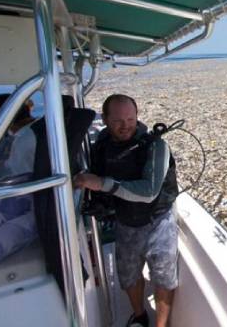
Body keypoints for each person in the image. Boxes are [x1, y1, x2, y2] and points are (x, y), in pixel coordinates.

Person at [74, 94, 179, 327]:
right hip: (125, 221)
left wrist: (101, 183)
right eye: (118, 120)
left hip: (158, 221)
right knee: (129, 275)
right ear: (105, 119)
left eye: (131, 119)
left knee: (163, 276)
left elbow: (149, 191)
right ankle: (140, 315)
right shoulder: (102, 145)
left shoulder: (156, 146)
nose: (125, 126)